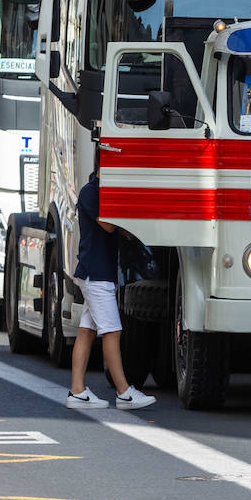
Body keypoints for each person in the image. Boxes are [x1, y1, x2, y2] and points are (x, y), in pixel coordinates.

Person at [66, 168, 156, 411]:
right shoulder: (91, 192)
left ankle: (77, 391)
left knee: (87, 332)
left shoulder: (100, 191)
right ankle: (124, 392)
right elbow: (107, 225)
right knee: (112, 331)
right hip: (95, 276)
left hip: (97, 274)